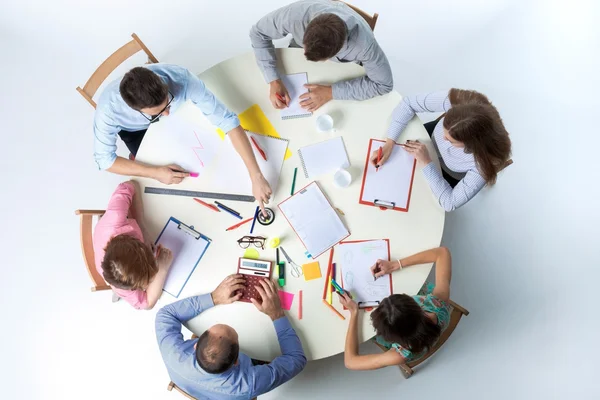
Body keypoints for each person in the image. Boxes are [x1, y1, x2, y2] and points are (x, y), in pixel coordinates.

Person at [93, 64, 272, 212]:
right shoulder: (108, 111)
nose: (167, 113)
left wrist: (256, 176)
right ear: (136, 110)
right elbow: (105, 160)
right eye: (157, 113)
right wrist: (155, 173)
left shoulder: (182, 78)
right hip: (135, 131)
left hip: (182, 120)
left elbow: (227, 121)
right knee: (169, 185)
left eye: (168, 103)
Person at [156, 275, 307, 399]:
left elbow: (165, 314)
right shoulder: (249, 384)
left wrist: (214, 297)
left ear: (196, 345)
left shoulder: (172, 354)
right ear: (237, 361)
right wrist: (277, 314)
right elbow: (297, 359)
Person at [371, 89, 512, 211]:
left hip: (447, 173)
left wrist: (427, 163)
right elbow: (408, 103)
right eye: (444, 131)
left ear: (472, 145)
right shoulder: (463, 101)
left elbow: (449, 203)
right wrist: (390, 142)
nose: (443, 139)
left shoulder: (485, 162)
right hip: (426, 139)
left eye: (450, 140)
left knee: (409, 197)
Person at [250, 0, 393, 112]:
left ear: (334, 53)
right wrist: (273, 80)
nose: (305, 54)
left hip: (341, 72)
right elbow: (257, 33)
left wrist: (331, 92)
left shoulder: (365, 46)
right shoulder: (295, 15)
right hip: (295, 60)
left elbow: (384, 85)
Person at [339, 247, 452, 370]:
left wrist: (354, 312)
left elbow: (350, 362)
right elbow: (442, 253)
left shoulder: (398, 356)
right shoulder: (438, 304)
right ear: (415, 306)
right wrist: (395, 265)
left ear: (388, 336)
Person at [93, 181, 173, 310]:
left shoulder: (116, 217)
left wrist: (141, 225)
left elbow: (130, 185)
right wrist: (162, 269)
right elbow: (146, 304)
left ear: (141, 246)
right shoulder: (120, 282)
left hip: (110, 230)